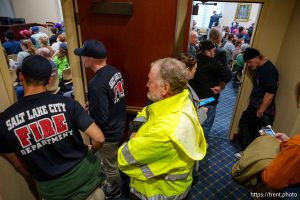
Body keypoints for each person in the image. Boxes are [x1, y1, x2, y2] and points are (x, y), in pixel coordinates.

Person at [0, 55, 106, 199]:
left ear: (21, 76)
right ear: (50, 80)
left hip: (55, 190)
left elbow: (19, 166)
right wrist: (92, 149)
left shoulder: (4, 121)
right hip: (88, 180)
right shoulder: (68, 103)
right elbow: (99, 138)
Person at [118, 58, 206, 200]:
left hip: (157, 193)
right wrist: (136, 128)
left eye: (150, 81)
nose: (147, 84)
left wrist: (134, 136)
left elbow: (123, 158)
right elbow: (147, 111)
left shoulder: (164, 131)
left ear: (165, 88)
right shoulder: (181, 99)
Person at [74, 40, 126, 198]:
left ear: (90, 59)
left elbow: (100, 118)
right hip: (119, 122)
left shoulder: (96, 83)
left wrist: (90, 119)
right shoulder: (114, 71)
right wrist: (95, 102)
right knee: (112, 161)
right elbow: (112, 96)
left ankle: (115, 191)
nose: (81, 59)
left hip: (108, 133)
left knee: (109, 166)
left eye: (83, 56)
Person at [238, 48, 279, 150]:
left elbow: (270, 93)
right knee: (246, 125)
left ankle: (253, 155)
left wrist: (261, 109)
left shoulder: (269, 70)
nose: (249, 65)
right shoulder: (259, 68)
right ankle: (246, 151)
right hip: (255, 104)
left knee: (259, 133)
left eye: (249, 62)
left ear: (257, 57)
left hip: (262, 107)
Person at [189, 40, 232, 136]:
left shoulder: (191, 60)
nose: (214, 53)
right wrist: (221, 87)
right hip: (209, 99)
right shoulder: (214, 63)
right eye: (213, 50)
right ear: (207, 51)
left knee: (191, 122)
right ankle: (200, 146)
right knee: (205, 124)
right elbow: (228, 76)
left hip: (191, 98)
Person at [177, 53, 207, 124]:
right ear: (187, 70)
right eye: (195, 68)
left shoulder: (181, 84)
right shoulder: (183, 90)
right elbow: (191, 121)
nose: (195, 71)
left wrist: (197, 102)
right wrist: (202, 111)